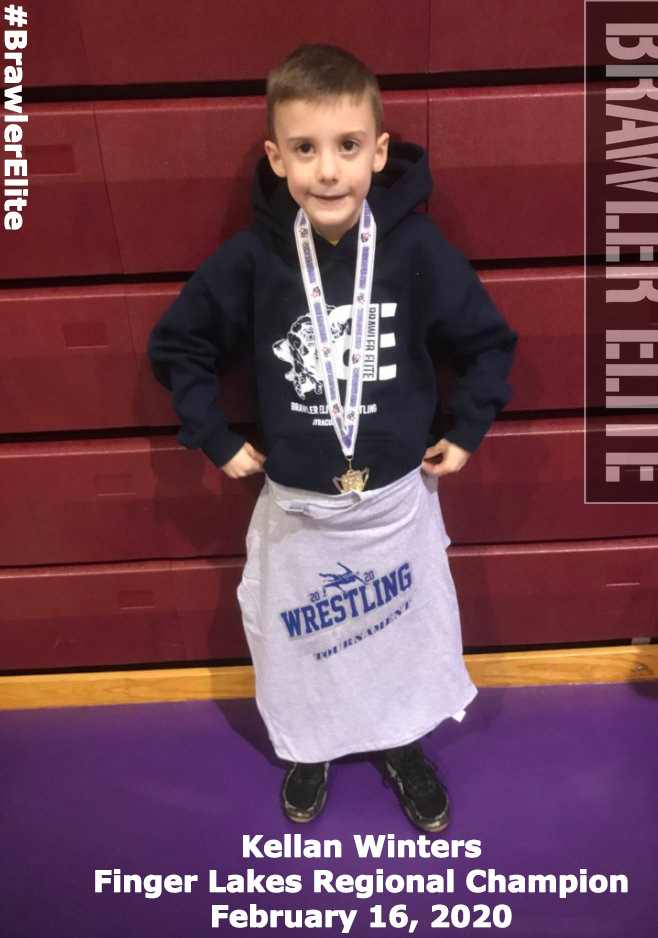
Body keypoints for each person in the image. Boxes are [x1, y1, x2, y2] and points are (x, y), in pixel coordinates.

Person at [147, 43, 518, 833]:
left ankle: (403, 745)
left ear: (378, 153)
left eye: (347, 146)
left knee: (402, 634)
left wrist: (468, 429)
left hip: (395, 499)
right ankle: (310, 747)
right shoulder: (254, 259)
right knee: (301, 639)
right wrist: (213, 436)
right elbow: (179, 343)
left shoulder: (415, 248)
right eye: (306, 149)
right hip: (299, 504)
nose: (327, 170)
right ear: (276, 158)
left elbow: (488, 342)